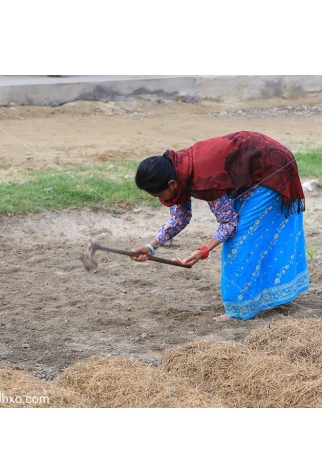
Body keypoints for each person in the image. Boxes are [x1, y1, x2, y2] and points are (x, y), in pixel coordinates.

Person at [130, 130, 310, 321]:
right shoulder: (178, 168)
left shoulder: (206, 180)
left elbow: (229, 224)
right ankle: (273, 294)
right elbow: (179, 218)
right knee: (250, 234)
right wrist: (151, 247)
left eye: (160, 195)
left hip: (272, 169)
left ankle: (239, 310)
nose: (161, 200)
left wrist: (204, 250)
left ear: (172, 184)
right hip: (255, 169)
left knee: (239, 242)